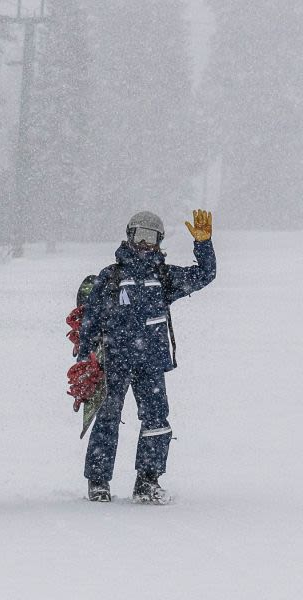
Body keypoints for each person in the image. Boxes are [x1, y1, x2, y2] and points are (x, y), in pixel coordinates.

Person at [73, 209, 216, 503]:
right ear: (129, 236)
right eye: (140, 235)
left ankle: (148, 481)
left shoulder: (164, 277)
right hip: (114, 362)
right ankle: (98, 482)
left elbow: (204, 274)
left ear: (159, 241)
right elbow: (90, 322)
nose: (144, 243)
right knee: (108, 419)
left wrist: (204, 243)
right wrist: (86, 362)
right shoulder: (110, 277)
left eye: (151, 238)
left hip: (150, 364)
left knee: (157, 420)